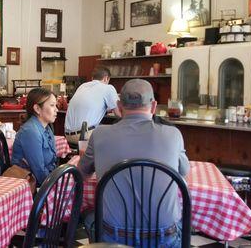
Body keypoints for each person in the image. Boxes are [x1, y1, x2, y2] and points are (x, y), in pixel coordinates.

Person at [78, 79, 190, 247]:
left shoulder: (99, 134)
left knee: (88, 215)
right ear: (153, 106)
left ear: (119, 106)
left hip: (114, 237)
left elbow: (82, 174)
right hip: (164, 237)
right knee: (187, 222)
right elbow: (183, 172)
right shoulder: (173, 135)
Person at [11, 88, 60, 186]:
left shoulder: (47, 127)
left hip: (44, 180)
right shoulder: (30, 131)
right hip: (29, 186)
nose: (57, 109)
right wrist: (56, 186)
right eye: (52, 105)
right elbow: (39, 171)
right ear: (37, 109)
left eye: (56, 105)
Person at [64, 66, 121, 145]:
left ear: (92, 78)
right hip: (84, 136)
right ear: (106, 78)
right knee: (118, 135)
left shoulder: (82, 86)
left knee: (103, 128)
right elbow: (119, 114)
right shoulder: (108, 88)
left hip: (68, 136)